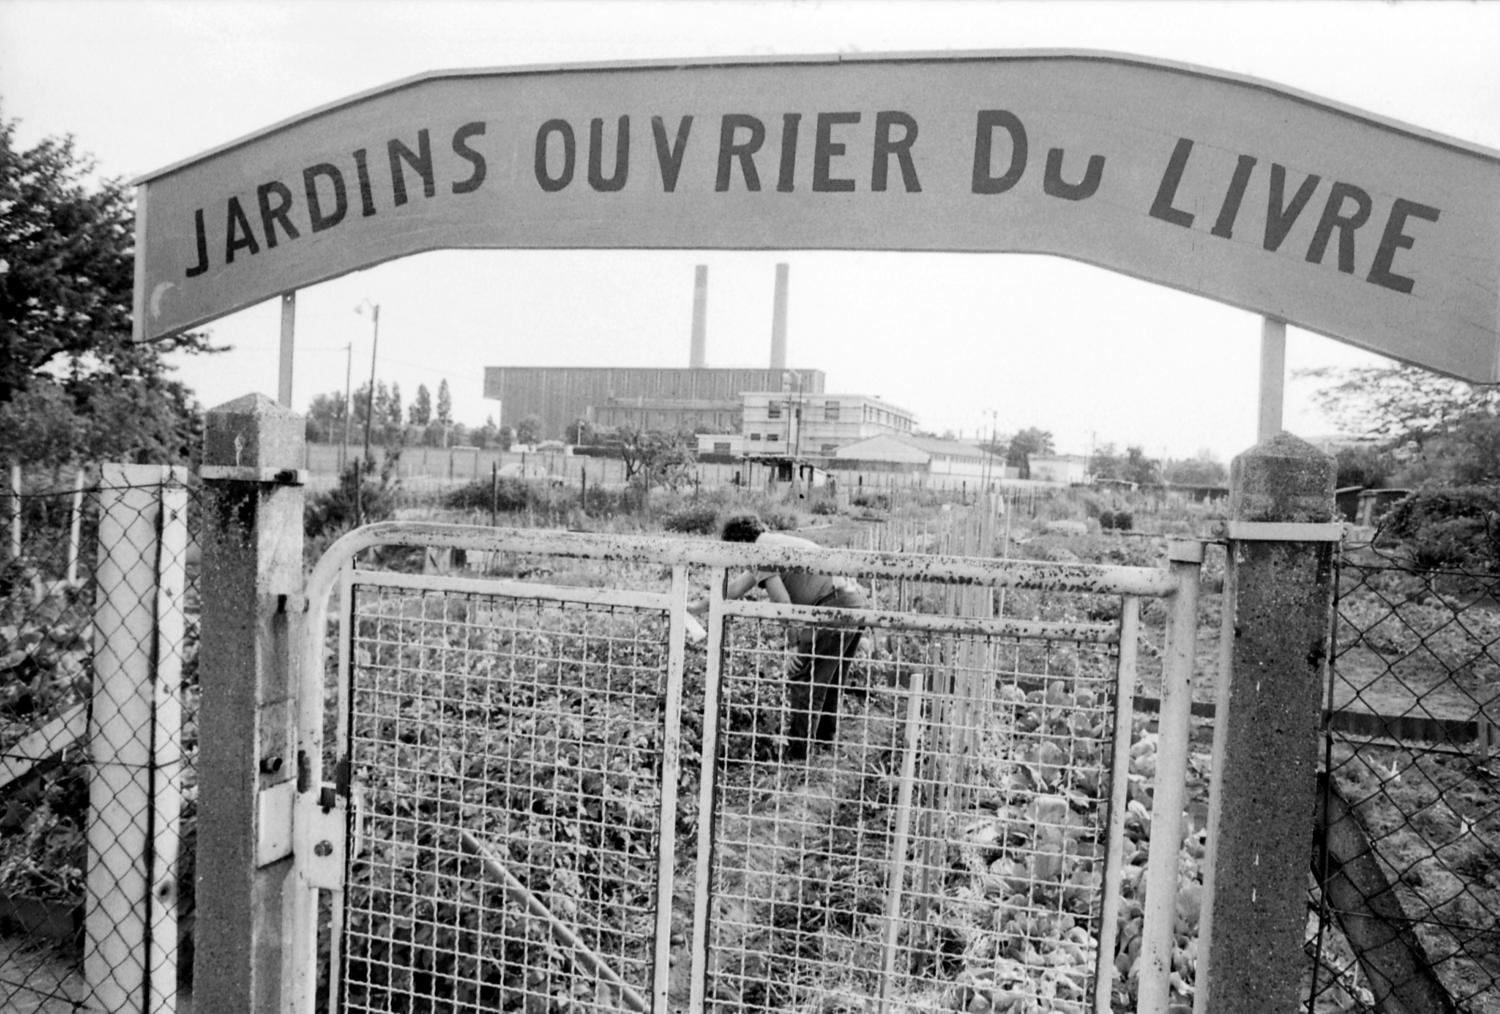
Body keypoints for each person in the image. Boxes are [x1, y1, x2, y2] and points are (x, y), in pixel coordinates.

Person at [694, 514, 867, 760]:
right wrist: (697, 606)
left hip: (832, 607)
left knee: (804, 679)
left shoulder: (759, 552)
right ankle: (824, 747)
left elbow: (781, 601)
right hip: (853, 601)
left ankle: (798, 758)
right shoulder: (773, 543)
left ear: (739, 545)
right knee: (828, 679)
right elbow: (733, 590)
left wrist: (794, 645)